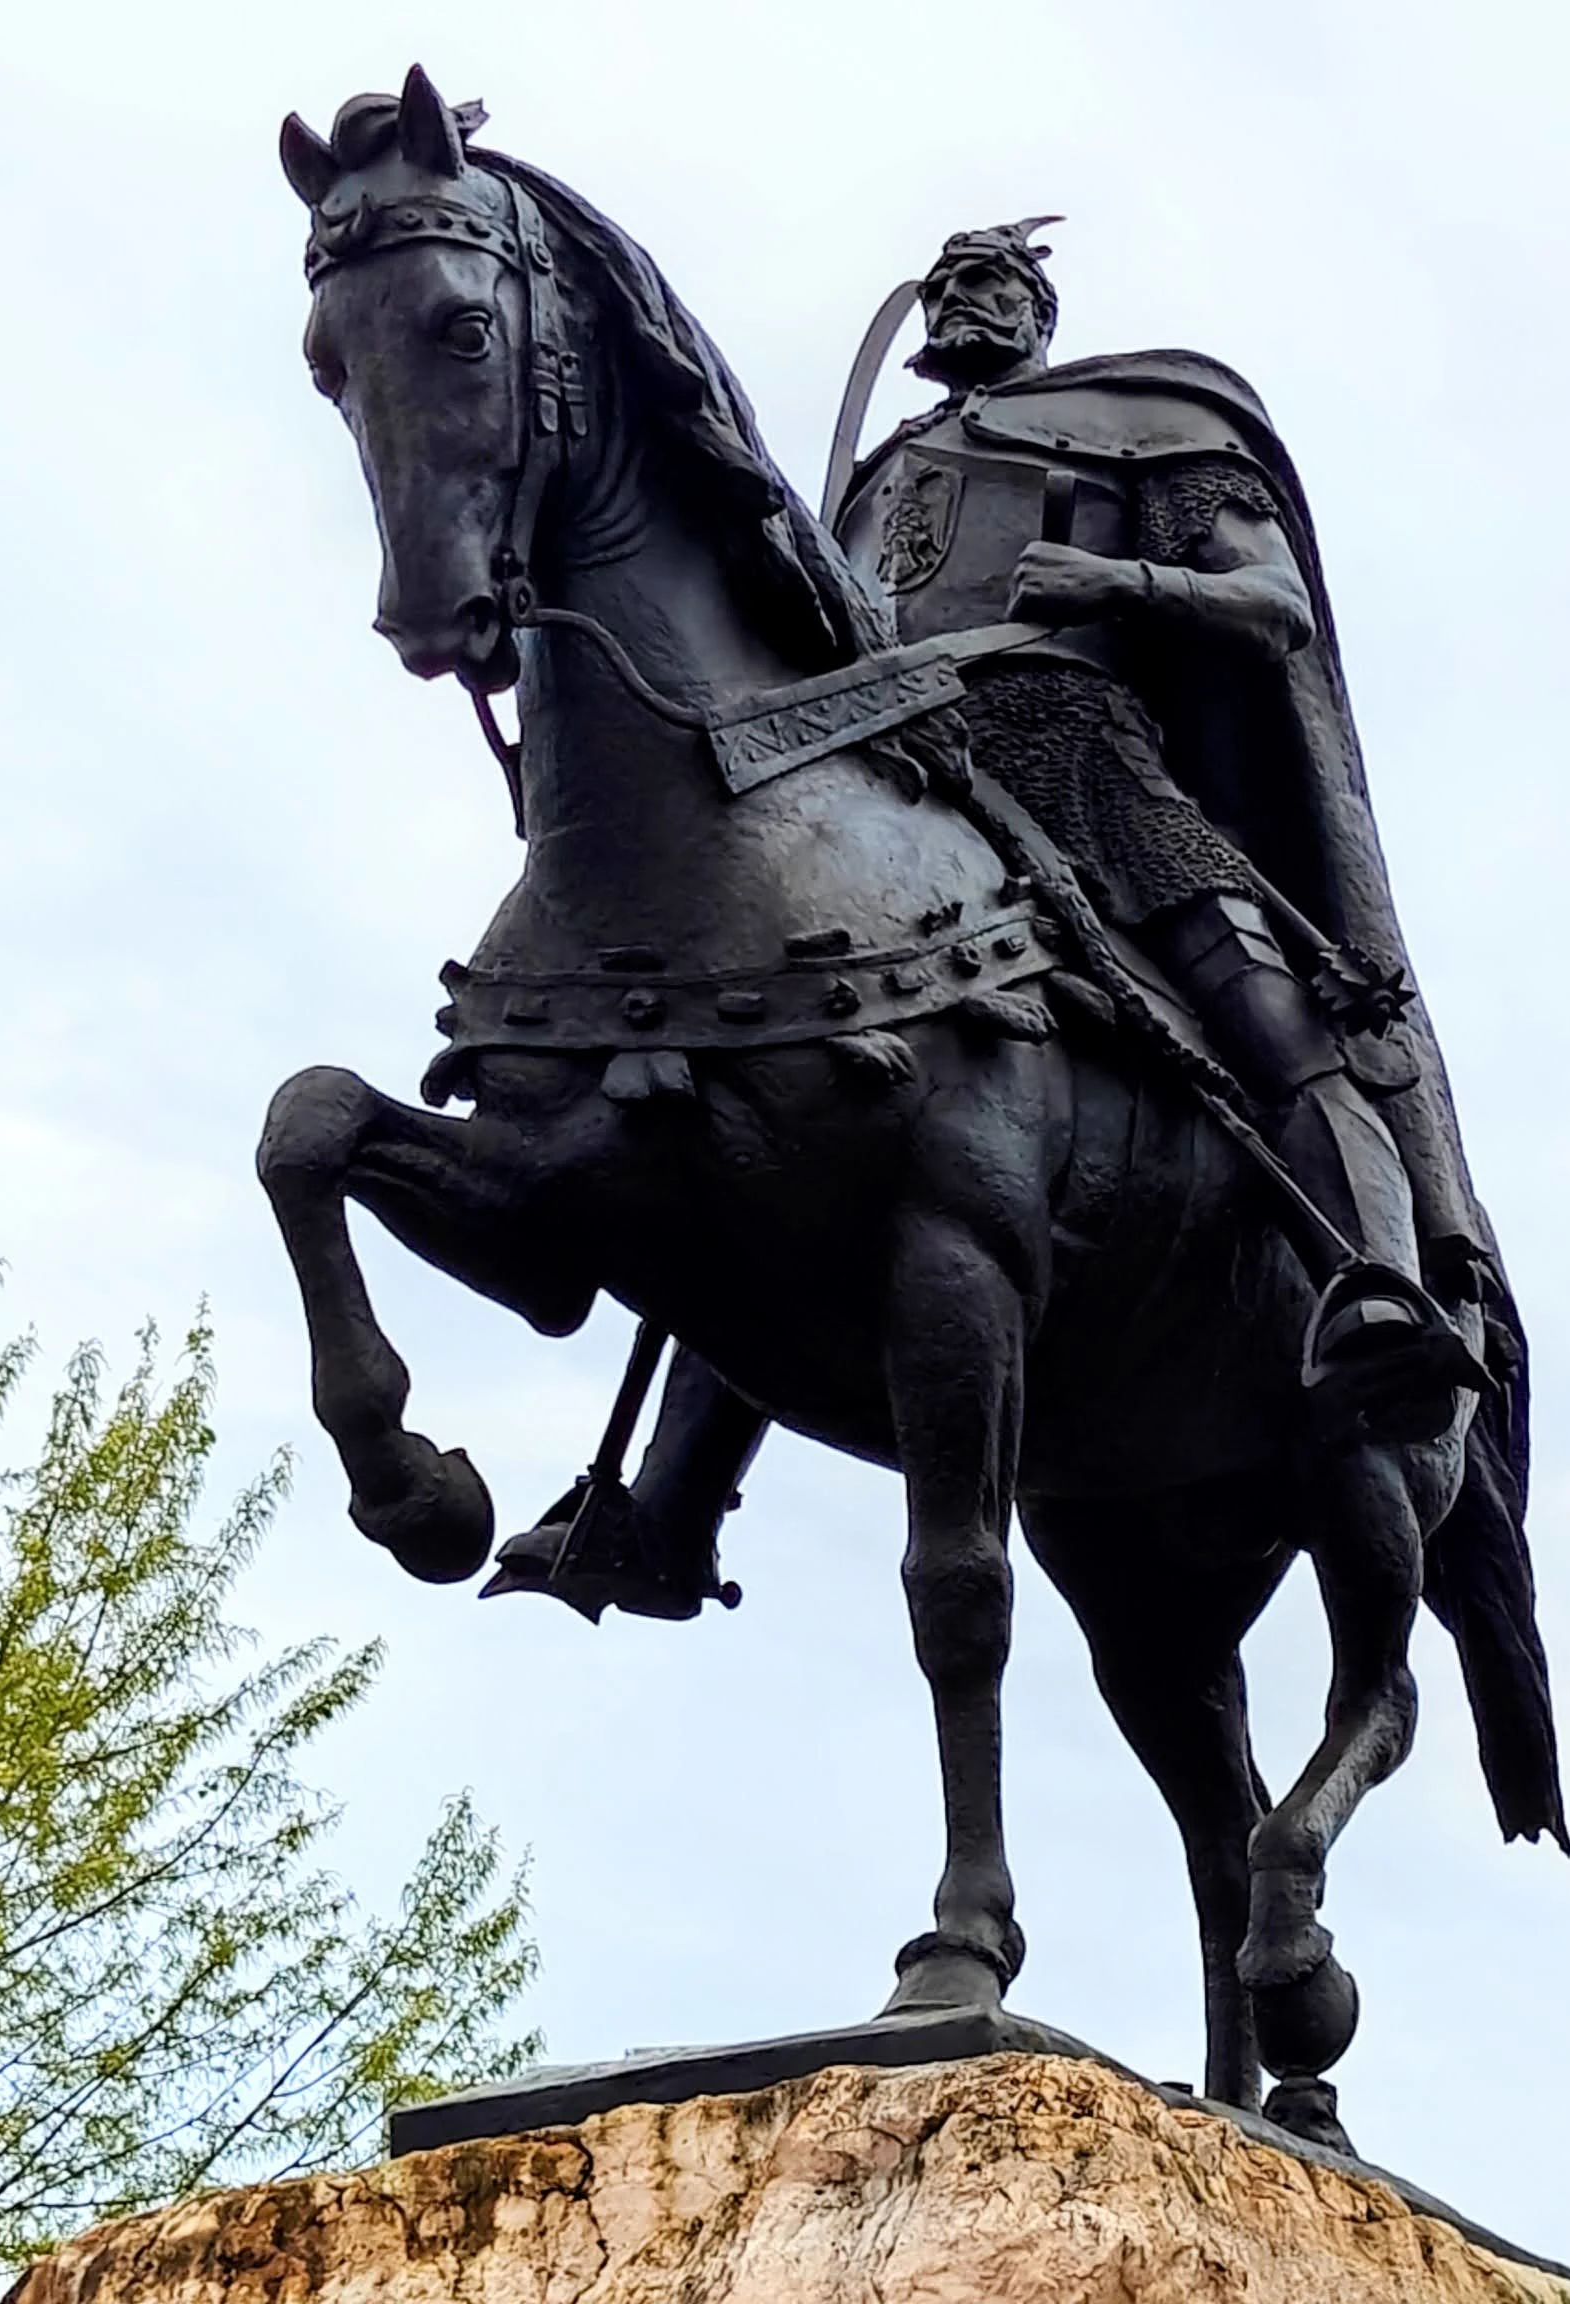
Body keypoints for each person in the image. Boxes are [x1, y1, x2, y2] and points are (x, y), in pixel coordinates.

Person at [491, 218, 1510, 1622]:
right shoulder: (871, 477)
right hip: (887, 773)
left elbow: (1269, 604)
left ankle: (1375, 1295)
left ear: (1039, 310)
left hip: (1076, 748)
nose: (969, 298)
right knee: (762, 1068)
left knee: (1265, 1006)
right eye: (953, 279)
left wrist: (1117, 585)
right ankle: (667, 1508)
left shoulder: (1139, 424)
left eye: (999, 282)